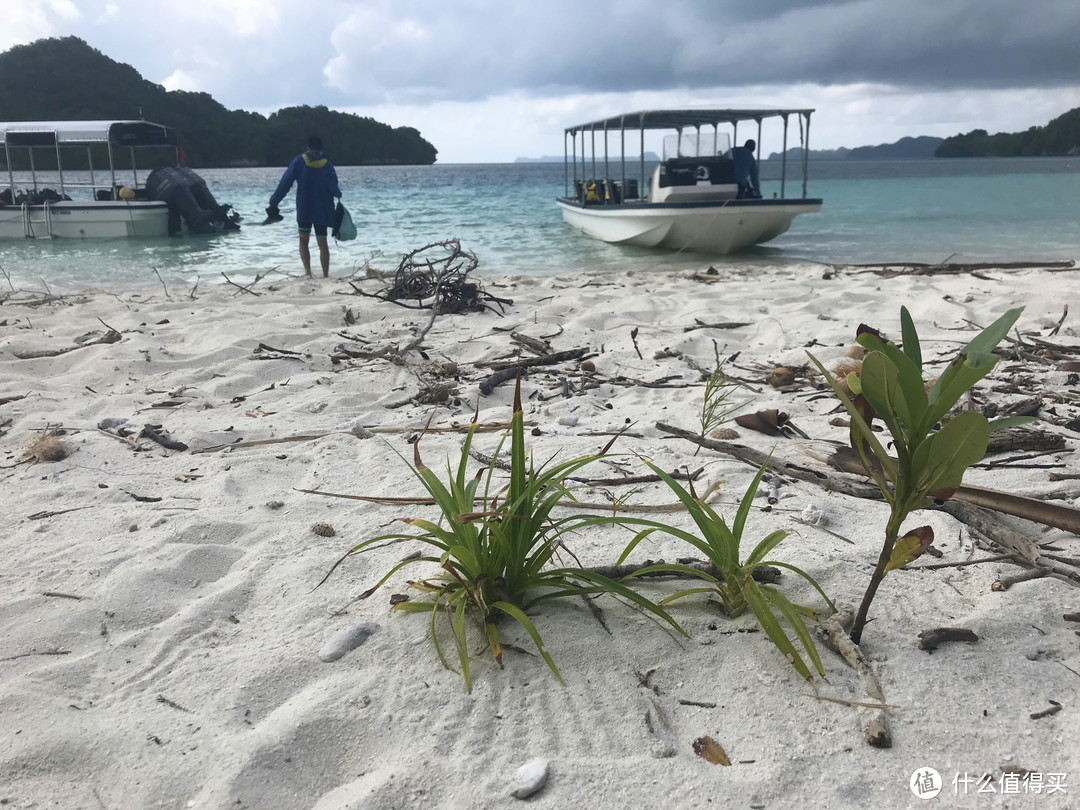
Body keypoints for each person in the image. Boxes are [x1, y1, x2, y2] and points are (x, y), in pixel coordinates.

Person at [267, 135, 342, 278]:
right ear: (321, 149)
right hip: (323, 208)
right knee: (322, 241)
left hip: (304, 206)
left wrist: (273, 202)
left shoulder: (299, 161)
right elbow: (335, 190)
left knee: (303, 240)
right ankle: (326, 275)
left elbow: (285, 184)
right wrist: (338, 194)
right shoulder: (327, 165)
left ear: (307, 147)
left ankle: (308, 273)